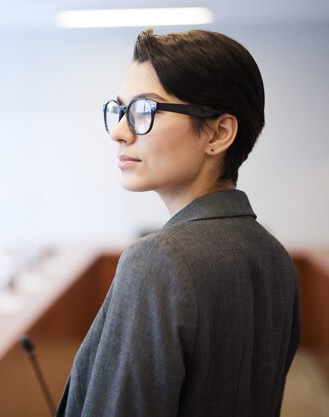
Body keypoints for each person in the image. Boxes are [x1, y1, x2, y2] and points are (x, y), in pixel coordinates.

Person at [56, 28, 300, 417]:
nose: (119, 132)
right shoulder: (274, 256)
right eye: (119, 111)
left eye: (144, 111)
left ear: (218, 133)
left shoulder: (157, 262)